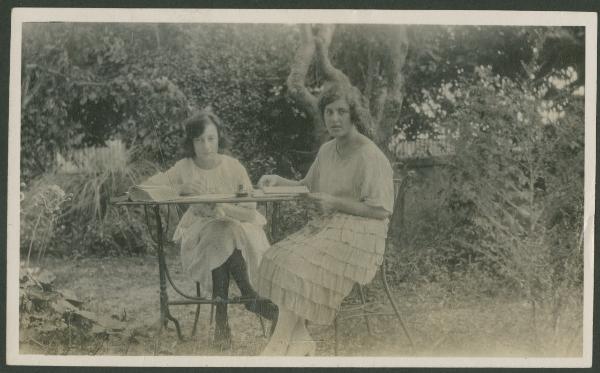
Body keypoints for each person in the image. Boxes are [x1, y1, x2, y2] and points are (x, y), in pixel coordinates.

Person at [256, 83, 394, 356]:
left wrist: (335, 202)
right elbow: (307, 186)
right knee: (276, 256)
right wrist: (279, 182)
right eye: (329, 112)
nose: (334, 119)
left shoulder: (370, 155)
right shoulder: (327, 150)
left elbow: (381, 211)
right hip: (328, 227)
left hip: (363, 233)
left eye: (341, 111)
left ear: (354, 114)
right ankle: (301, 337)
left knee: (298, 262)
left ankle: (278, 342)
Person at [142, 110, 277, 349]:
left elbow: (249, 211)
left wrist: (223, 207)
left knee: (226, 231)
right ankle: (249, 297)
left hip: (241, 229)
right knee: (220, 233)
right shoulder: (184, 167)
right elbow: (149, 187)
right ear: (190, 142)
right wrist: (181, 188)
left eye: (210, 138)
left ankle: (223, 321)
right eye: (198, 139)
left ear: (219, 138)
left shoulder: (233, 167)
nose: (205, 146)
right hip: (200, 233)